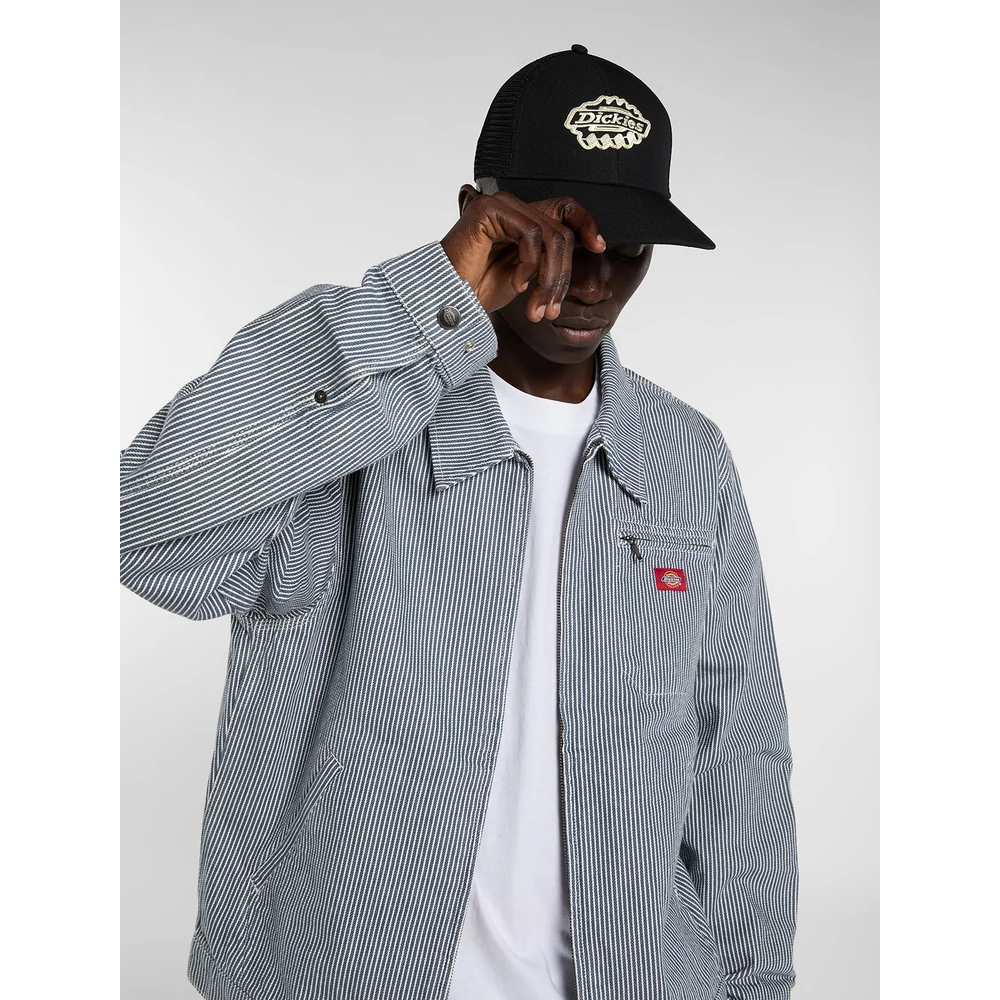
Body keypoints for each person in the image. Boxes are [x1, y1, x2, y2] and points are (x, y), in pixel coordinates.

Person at [121, 44, 798, 1000]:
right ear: (482, 219)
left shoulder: (686, 458)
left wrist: (753, 984)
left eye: (630, 247)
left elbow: (741, 757)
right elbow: (139, 523)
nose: (595, 280)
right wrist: (426, 303)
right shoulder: (346, 424)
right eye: (564, 239)